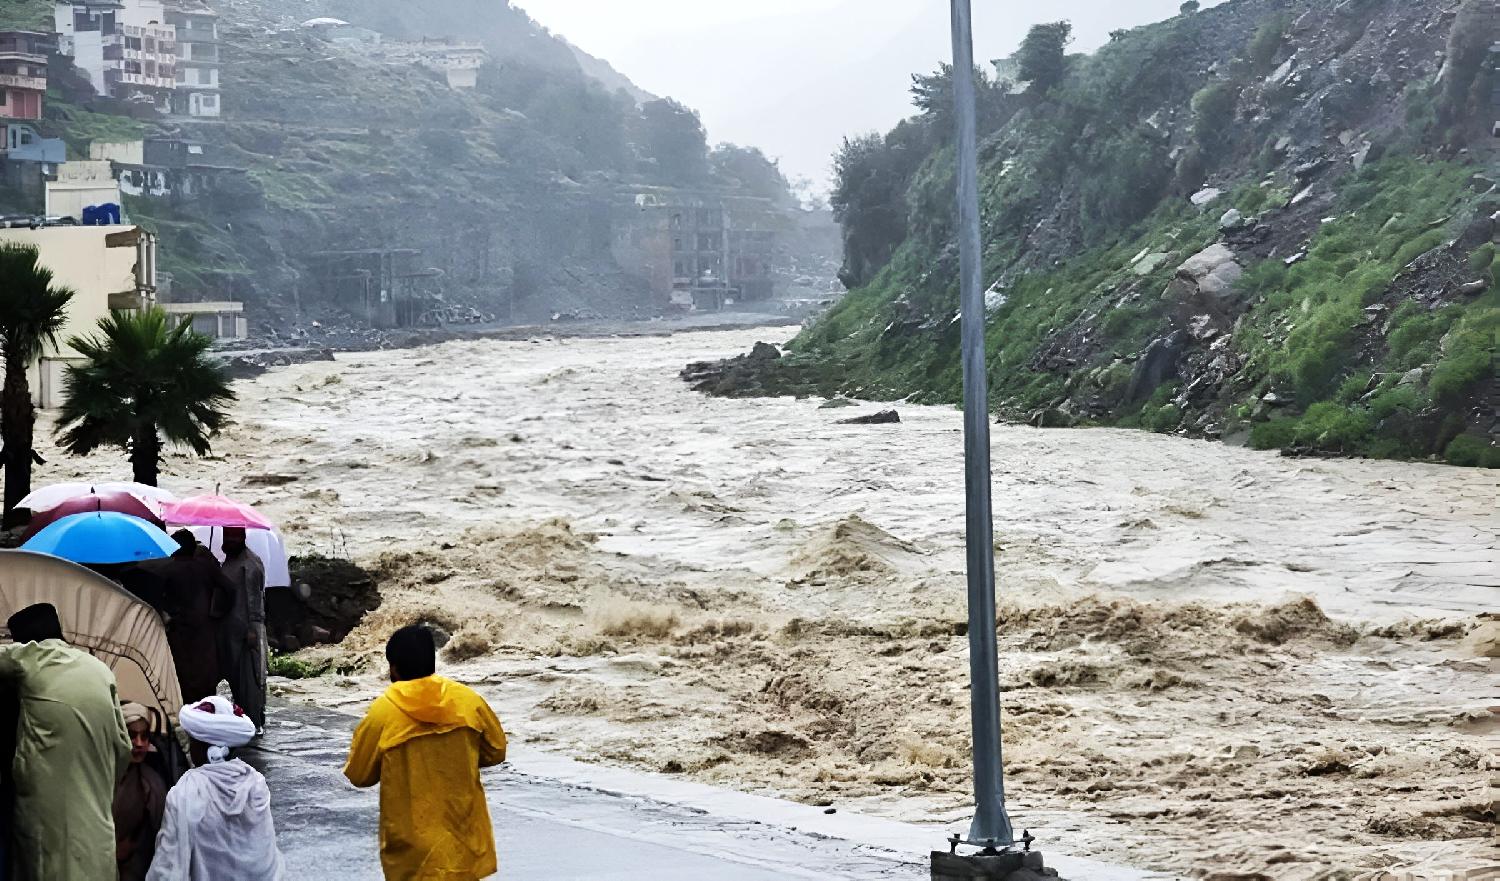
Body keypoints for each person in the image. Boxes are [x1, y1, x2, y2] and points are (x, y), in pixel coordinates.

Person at [343, 625, 507, 881]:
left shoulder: (383, 713)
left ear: (393, 667)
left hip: (413, 851)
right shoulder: (468, 701)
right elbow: (496, 751)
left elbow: (359, 775)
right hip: (463, 841)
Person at [0, 603, 132, 881]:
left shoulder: (33, 656)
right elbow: (123, 747)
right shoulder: (101, 671)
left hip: (45, 820)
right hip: (97, 819)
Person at [146, 695, 284, 880]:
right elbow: (264, 852)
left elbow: (169, 861)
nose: (190, 748)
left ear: (203, 748)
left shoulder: (188, 790)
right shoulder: (255, 782)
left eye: (192, 741)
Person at [157, 531, 230, 704]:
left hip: (179, 631)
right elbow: (230, 589)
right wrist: (219, 613)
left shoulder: (167, 571)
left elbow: (157, 600)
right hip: (204, 629)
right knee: (206, 680)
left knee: (184, 681)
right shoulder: (206, 568)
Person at [217, 527, 267, 731]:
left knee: (249, 681)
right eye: (226, 535)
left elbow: (255, 599)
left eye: (233, 536)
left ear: (242, 537)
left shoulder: (249, 564)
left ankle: (253, 722)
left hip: (247, 633)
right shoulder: (230, 560)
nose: (228, 539)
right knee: (236, 679)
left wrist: (252, 629)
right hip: (231, 630)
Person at [113, 703, 167, 881]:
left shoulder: (151, 783)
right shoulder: (102, 776)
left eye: (144, 737)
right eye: (132, 736)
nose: (139, 744)